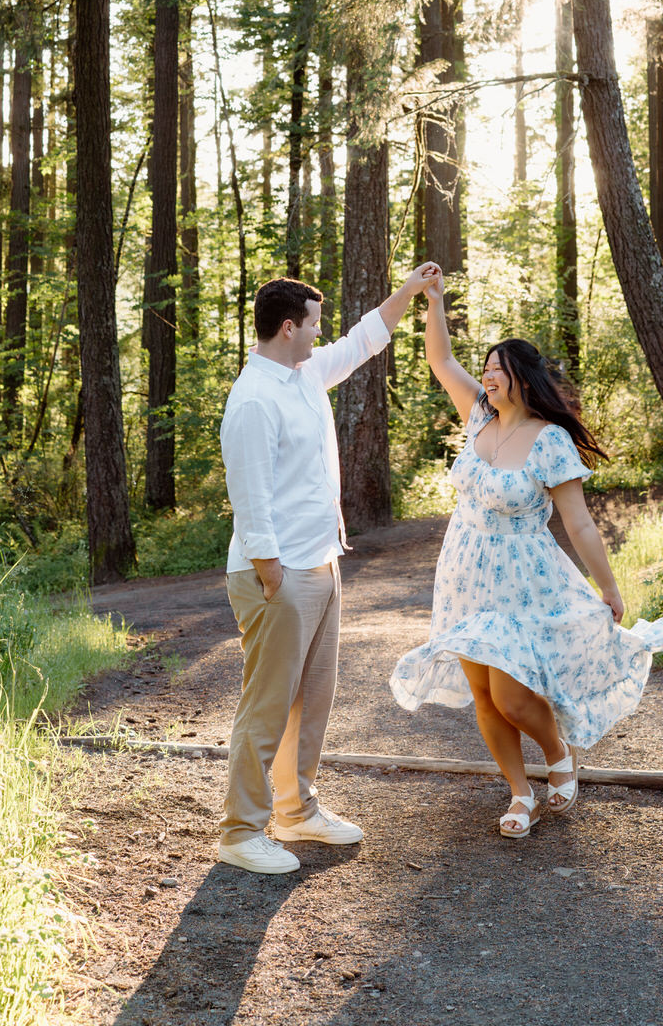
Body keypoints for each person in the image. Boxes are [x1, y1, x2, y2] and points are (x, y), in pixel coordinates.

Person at [390, 270, 663, 839]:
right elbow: (441, 361)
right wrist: (433, 304)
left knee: (512, 695)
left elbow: (579, 522)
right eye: (487, 369)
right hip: (463, 575)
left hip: (523, 578)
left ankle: (558, 753)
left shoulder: (550, 439)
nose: (487, 376)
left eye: (497, 369)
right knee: (482, 694)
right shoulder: (478, 416)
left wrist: (610, 588)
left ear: (521, 378)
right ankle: (520, 794)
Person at [219, 263, 439, 874]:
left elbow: (363, 340)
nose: (321, 334)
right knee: (267, 707)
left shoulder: (304, 374)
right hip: (278, 573)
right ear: (289, 328)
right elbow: (251, 496)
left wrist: (411, 291)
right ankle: (240, 832)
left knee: (310, 701)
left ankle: (295, 809)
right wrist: (270, 574)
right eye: (314, 325)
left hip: (319, 563)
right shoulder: (255, 398)